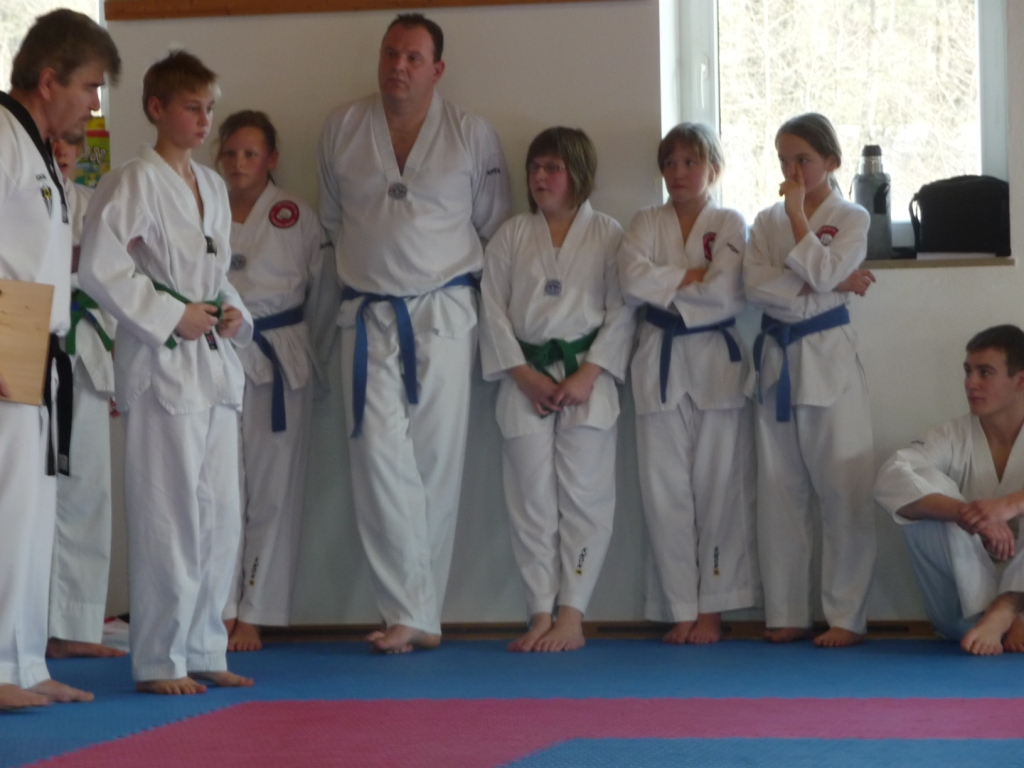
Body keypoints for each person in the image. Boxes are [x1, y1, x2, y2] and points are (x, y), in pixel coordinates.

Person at [318, 13, 510, 653]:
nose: (398, 66)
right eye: (390, 54)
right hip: (366, 312)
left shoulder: (471, 133)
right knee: (376, 459)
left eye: (413, 57)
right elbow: (333, 220)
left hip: (443, 310)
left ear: (437, 68)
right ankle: (411, 610)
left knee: (435, 464)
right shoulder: (343, 128)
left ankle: (417, 615)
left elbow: (491, 223)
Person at [79, 51, 254, 694]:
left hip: (211, 366)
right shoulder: (132, 181)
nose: (204, 120)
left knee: (219, 514)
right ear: (157, 108)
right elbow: (100, 267)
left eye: (209, 108)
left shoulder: (210, 185)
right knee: (168, 514)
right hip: (161, 366)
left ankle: (205, 644)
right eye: (191, 108)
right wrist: (170, 315)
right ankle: (159, 658)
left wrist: (231, 312)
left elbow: (216, 273)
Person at [0, 8, 119, 711]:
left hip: (40, 347)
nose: (94, 103)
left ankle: (24, 658)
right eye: (89, 86)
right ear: (49, 81)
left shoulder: (37, 147)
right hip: (6, 337)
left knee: (33, 512)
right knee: (6, 506)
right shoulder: (1, 136)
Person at [480, 127, 633, 652]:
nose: (539, 177)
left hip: (587, 380)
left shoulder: (609, 234)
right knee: (531, 503)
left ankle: (573, 614)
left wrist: (589, 373)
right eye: (534, 167)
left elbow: (622, 310)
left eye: (553, 168)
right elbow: (491, 311)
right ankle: (540, 612)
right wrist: (523, 375)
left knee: (587, 499)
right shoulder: (511, 235)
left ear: (579, 173)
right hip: (525, 381)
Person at [617, 123, 758, 645]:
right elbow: (630, 280)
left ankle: (713, 608)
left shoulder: (730, 222)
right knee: (664, 491)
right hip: (658, 360)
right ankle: (679, 605)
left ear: (713, 169)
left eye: (690, 162)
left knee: (720, 488)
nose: (678, 172)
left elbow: (726, 292)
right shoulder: (644, 222)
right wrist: (693, 275)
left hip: (716, 364)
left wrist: (665, 280)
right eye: (670, 163)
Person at [743, 113, 877, 647]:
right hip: (776, 359)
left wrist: (800, 219)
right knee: (779, 492)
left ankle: (846, 616)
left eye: (803, 159)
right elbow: (753, 289)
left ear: (832, 162)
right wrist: (827, 282)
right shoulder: (763, 220)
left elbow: (821, 273)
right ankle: (787, 612)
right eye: (783, 160)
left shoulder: (852, 217)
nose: (792, 170)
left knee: (843, 491)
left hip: (829, 360)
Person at [217, 110, 327, 652]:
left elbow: (321, 292)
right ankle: (220, 608)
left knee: (272, 492)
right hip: (217, 354)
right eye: (230, 153)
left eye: (251, 153)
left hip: (279, 355)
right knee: (220, 490)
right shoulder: (202, 207)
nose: (239, 163)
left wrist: (306, 349)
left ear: (272, 159)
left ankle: (255, 612)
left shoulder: (297, 215)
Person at [875, 325, 1024, 656]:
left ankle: (1008, 608)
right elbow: (890, 477)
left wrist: (1010, 505)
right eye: (968, 371)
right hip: (963, 614)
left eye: (985, 372)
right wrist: (966, 513)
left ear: (1021, 381)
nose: (970, 383)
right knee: (930, 487)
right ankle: (998, 614)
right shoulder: (952, 435)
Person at [46, 131, 123, 660]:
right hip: (30, 346)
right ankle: (27, 625)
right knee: (28, 497)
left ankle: (75, 625)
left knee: (88, 490)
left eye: (71, 142)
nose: (62, 150)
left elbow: (118, 280)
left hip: (88, 353)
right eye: (52, 140)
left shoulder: (95, 205)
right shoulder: (15, 197)